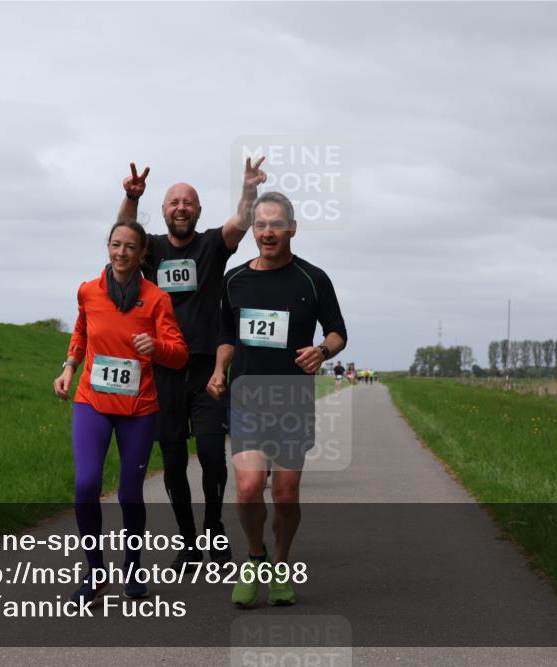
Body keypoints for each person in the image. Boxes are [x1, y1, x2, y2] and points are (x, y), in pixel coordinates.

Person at [117, 158, 267, 569]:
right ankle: (187, 541)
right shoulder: (151, 251)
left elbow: (240, 219)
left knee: (213, 456)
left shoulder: (212, 245)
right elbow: (124, 235)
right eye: (173, 202)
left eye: (188, 202)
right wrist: (131, 198)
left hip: (206, 369)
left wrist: (250, 189)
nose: (180, 207)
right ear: (163, 211)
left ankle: (214, 530)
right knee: (173, 460)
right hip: (162, 371)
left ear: (198, 212)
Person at [208, 191, 347, 607]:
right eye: (260, 225)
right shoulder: (234, 279)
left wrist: (322, 351)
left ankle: (281, 563)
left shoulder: (313, 279)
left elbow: (338, 331)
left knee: (285, 494)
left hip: (291, 399)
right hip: (247, 397)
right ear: (253, 229)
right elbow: (227, 337)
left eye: (275, 225)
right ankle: (255, 555)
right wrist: (218, 371)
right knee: (249, 486)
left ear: (292, 229)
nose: (267, 232)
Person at [54, 220, 188, 603]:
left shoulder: (157, 299)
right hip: (92, 403)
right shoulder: (88, 291)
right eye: (116, 244)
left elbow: (178, 355)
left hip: (139, 409)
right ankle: (96, 573)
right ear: (107, 246)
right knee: (86, 484)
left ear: (142, 253)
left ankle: (132, 568)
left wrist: (156, 347)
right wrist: (68, 368)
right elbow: (81, 332)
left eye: (131, 247)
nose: (122, 253)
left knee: (130, 493)